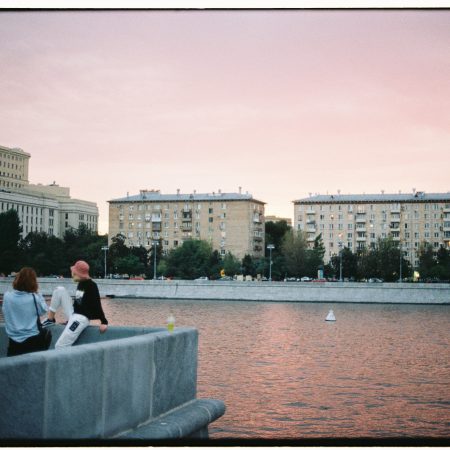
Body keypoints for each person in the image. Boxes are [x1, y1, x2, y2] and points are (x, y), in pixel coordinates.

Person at [54, 260, 108, 349]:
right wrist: (70, 320)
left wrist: (104, 321)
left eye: (73, 273)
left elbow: (97, 303)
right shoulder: (81, 284)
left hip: (80, 319)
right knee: (60, 290)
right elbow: (78, 303)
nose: (71, 275)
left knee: (60, 346)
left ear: (78, 274)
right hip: (75, 316)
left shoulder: (91, 285)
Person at [2, 267, 49, 357]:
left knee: (13, 368)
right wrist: (38, 294)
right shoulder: (34, 297)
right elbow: (43, 311)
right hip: (32, 340)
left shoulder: (7, 296)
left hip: (13, 341)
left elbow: (6, 312)